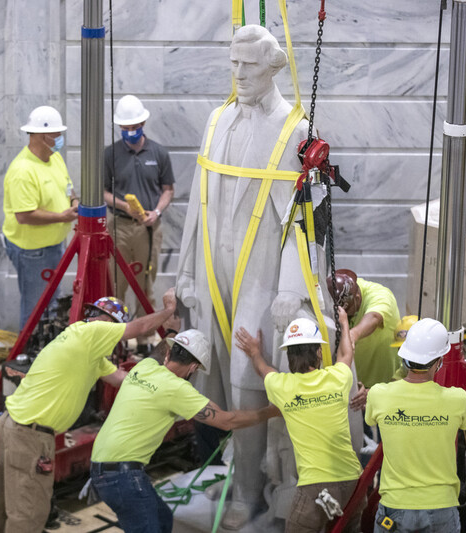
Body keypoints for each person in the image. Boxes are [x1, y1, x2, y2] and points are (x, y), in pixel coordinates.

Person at [176, 24, 328, 528]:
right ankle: (235, 465)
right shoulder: (217, 119)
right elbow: (196, 197)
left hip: (262, 273)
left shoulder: (296, 129)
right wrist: (185, 269)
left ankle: (247, 493)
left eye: (251, 66)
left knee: (247, 377)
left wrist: (291, 285)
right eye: (234, 64)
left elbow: (307, 220)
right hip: (211, 268)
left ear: (275, 66)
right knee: (214, 371)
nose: (240, 75)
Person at [0, 289, 178, 533]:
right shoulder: (92, 333)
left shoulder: (86, 346)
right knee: (28, 514)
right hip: (31, 437)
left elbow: (126, 379)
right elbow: (139, 327)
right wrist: (169, 312)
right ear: (109, 324)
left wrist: (170, 342)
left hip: (13, 426)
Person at [90, 328, 279, 533]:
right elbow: (227, 421)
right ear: (193, 368)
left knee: (163, 521)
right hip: (123, 477)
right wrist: (270, 411)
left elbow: (158, 350)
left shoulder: (144, 367)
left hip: (102, 467)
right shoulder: (177, 389)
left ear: (170, 353)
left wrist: (172, 328)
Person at [236, 307, 365, 533]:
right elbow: (345, 355)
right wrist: (344, 323)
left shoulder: (282, 387)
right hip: (353, 481)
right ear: (318, 352)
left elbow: (263, 369)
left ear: (289, 355)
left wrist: (255, 352)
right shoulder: (338, 378)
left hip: (314, 488)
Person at [365, 318, 466, 532]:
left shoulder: (378, 394)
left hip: (395, 507)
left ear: (405, 357)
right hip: (441, 507)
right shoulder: (458, 399)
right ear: (439, 361)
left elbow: (370, 420)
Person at [104, 95, 175, 350]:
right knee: (117, 284)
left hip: (148, 228)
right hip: (120, 226)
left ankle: (145, 339)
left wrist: (155, 212)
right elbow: (103, 192)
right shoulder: (110, 154)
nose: (130, 132)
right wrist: (126, 207)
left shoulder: (158, 153)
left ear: (143, 122)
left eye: (134, 127)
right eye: (125, 128)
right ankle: (116, 339)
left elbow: (168, 189)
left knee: (145, 284)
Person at [2, 105, 78, 331]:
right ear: (41, 136)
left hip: (53, 245)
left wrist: (74, 203)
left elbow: (68, 188)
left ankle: (45, 353)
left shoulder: (55, 158)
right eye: (56, 135)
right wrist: (61, 216)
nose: (60, 139)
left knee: (51, 305)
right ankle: (27, 356)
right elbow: (25, 216)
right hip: (33, 252)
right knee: (36, 308)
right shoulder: (22, 171)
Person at [328, 269, 401, 390]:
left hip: (384, 384)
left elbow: (374, 316)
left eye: (348, 312)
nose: (346, 316)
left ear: (357, 298)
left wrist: (351, 335)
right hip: (354, 385)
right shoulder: (333, 293)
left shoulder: (380, 295)